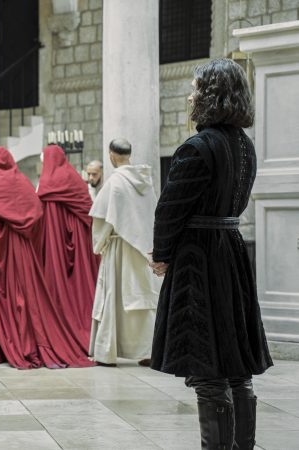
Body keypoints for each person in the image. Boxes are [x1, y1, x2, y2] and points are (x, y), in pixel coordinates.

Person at [150, 59, 272, 450]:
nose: (189, 95)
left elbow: (171, 208)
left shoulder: (198, 147)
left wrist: (162, 253)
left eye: (195, 88)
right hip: (231, 256)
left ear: (210, 95)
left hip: (198, 260)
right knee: (235, 367)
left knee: (207, 367)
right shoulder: (244, 145)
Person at [0, 147, 91, 369]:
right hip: (22, 255)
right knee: (26, 299)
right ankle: (28, 342)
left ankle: (2, 346)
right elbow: (36, 216)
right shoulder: (23, 184)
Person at [88, 138, 160, 367]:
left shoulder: (115, 183)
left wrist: (99, 244)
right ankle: (149, 350)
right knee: (143, 299)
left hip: (120, 250)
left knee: (115, 298)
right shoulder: (146, 182)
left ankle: (107, 353)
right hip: (144, 250)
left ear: (111, 155)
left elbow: (102, 220)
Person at [38, 145, 98, 368]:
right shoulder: (75, 180)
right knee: (82, 289)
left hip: (56, 250)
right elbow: (88, 211)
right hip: (81, 243)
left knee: (57, 289)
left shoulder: (47, 183)